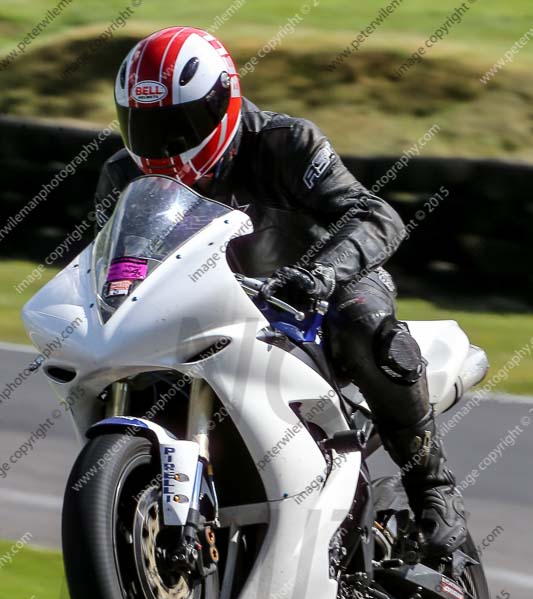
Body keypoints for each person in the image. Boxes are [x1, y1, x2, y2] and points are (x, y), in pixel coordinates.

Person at [95, 26, 467, 559]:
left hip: (317, 296)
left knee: (362, 321)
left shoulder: (285, 143)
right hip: (209, 314)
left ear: (224, 100)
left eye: (179, 124)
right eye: (145, 125)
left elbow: (376, 215)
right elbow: (109, 263)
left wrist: (321, 273)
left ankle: (434, 490)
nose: (163, 143)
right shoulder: (120, 177)